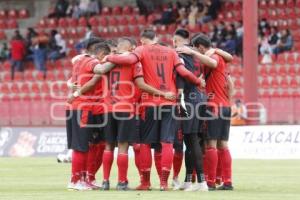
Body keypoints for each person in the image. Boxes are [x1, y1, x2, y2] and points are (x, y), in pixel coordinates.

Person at [105, 29, 205, 190]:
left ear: (143, 40)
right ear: (156, 38)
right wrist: (198, 82)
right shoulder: (171, 52)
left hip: (150, 103)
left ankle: (145, 182)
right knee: (167, 142)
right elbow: (183, 72)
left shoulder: (141, 50)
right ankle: (164, 183)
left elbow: (129, 60)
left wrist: (109, 57)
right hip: (169, 101)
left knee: (145, 143)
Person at [99, 37, 176, 191]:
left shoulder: (104, 64)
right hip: (127, 108)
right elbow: (141, 84)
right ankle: (122, 182)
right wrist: (162, 93)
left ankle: (105, 182)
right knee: (124, 146)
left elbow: (97, 72)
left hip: (107, 108)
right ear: (131, 48)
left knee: (108, 146)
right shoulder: (134, 63)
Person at [183, 33, 234, 190]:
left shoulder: (214, 57)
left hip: (214, 106)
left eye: (196, 48)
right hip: (225, 105)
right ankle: (227, 182)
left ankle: (210, 181)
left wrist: (192, 53)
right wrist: (228, 100)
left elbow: (211, 62)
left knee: (209, 144)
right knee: (222, 145)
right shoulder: (222, 58)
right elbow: (231, 83)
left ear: (200, 47)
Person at [66, 42, 115, 191]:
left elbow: (73, 78)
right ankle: (75, 181)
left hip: (83, 107)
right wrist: (117, 59)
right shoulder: (92, 61)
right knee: (81, 146)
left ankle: (86, 178)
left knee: (91, 145)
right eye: (107, 55)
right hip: (84, 107)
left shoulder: (80, 60)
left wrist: (70, 86)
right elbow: (99, 71)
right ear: (101, 54)